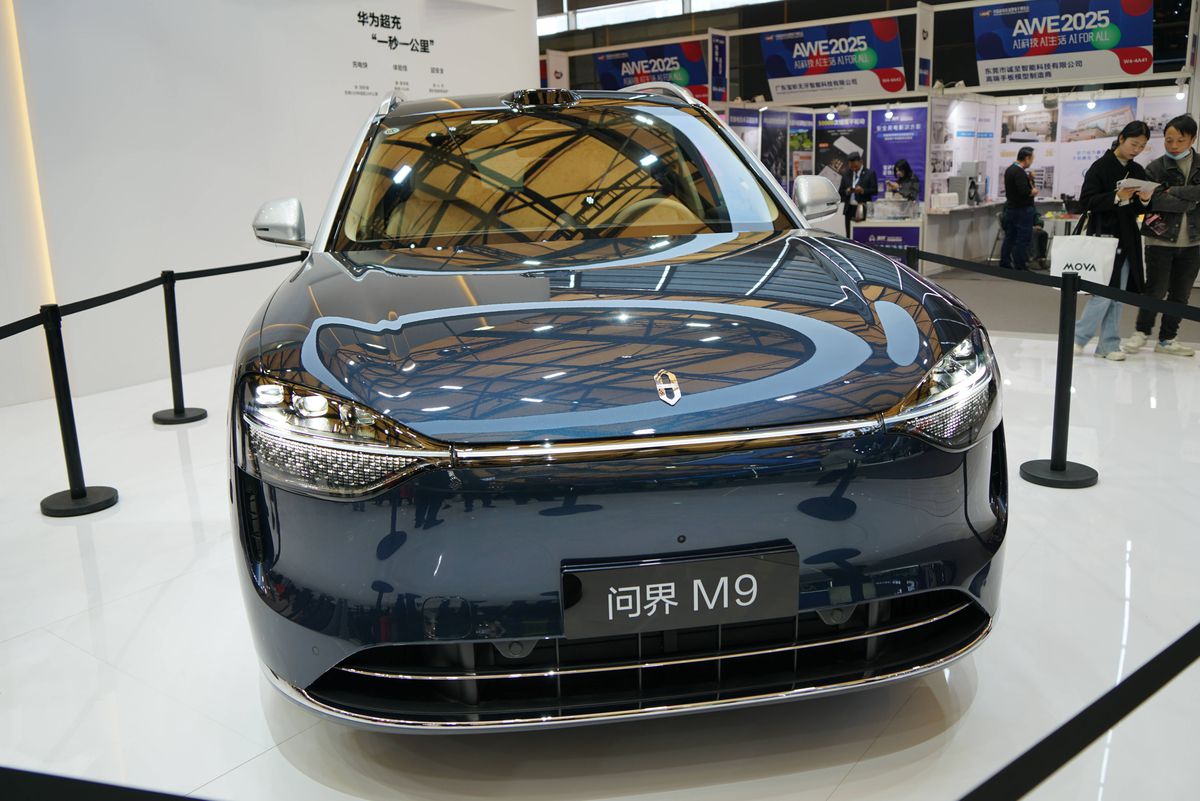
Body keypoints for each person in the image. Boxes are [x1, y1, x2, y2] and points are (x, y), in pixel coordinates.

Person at [1073, 121, 1154, 361]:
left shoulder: (1137, 170)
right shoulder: (1100, 167)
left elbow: (1139, 209)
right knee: (1103, 293)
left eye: (1141, 146)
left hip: (1128, 238)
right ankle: (1077, 338)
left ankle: (1108, 345)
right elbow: (1086, 201)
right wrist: (1116, 196)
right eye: (1133, 144)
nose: (1136, 150)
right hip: (1103, 236)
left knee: (1118, 295)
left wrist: (1145, 199)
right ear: (1121, 139)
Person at [1123, 114, 1200, 357]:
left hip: (1194, 240)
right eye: (1168, 140)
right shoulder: (1154, 168)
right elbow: (1155, 200)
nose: (1173, 146)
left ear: (1192, 139)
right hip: (1160, 237)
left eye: (1180, 140)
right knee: (1154, 290)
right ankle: (1141, 331)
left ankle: (1168, 338)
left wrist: (1173, 190)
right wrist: (1190, 201)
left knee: (1181, 294)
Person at [1000, 146, 1038, 270]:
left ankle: (1005, 262)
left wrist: (1029, 179)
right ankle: (1020, 265)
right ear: (1026, 158)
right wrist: (1033, 191)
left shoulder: (1010, 170)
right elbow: (1023, 191)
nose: (1032, 161)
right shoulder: (1019, 172)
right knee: (1023, 238)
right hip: (1022, 210)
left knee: (1010, 237)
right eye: (1032, 158)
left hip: (1012, 209)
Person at [839, 152, 877, 237]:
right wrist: (847, 191)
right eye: (851, 166)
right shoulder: (846, 174)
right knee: (849, 235)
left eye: (855, 166)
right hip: (849, 209)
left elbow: (875, 190)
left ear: (861, 162)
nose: (853, 168)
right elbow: (840, 191)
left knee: (863, 235)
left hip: (863, 209)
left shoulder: (870, 173)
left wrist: (862, 190)